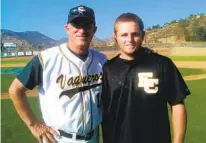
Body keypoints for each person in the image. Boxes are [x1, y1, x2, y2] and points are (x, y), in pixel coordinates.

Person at [9, 5, 107, 143]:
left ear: (94, 29)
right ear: (67, 28)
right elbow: (15, 90)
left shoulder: (102, 60)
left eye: (87, 24)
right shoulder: (46, 58)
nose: (82, 30)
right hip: (58, 138)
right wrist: (34, 125)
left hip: (93, 137)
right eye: (76, 24)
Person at [101, 13, 190, 143]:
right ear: (115, 38)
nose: (129, 39)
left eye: (135, 34)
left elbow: (177, 104)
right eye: (124, 35)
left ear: (143, 35)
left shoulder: (162, 64)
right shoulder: (108, 69)